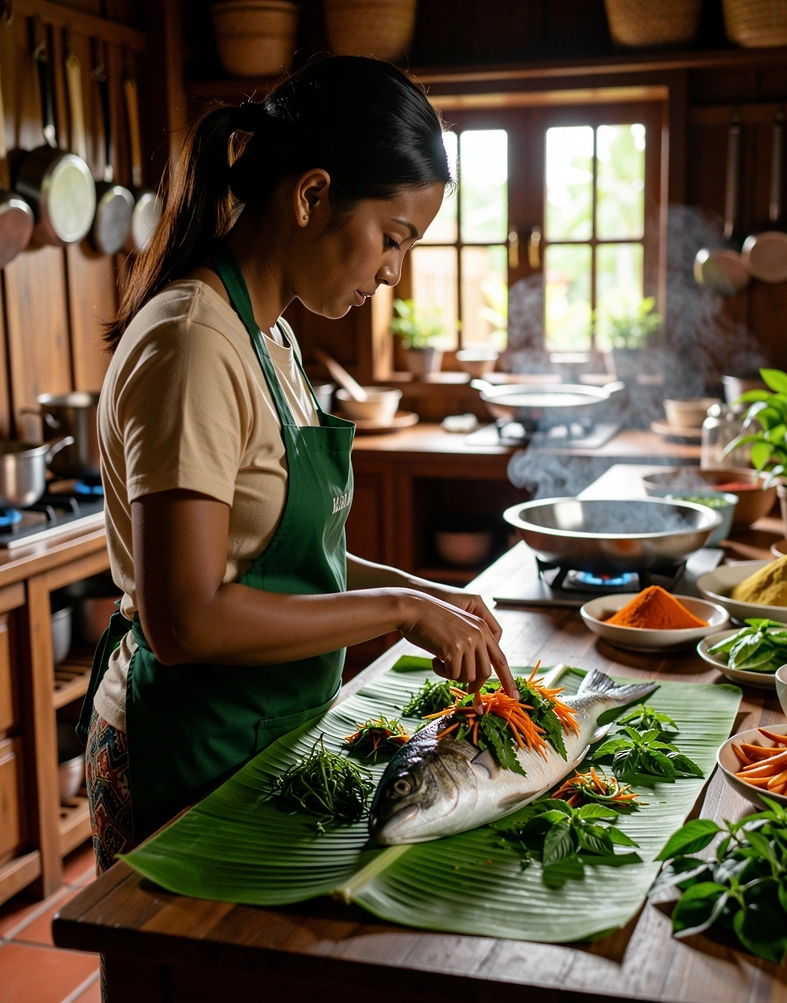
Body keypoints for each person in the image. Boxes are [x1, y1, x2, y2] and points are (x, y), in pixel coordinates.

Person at [78, 54, 516, 887]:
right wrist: (395, 609)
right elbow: (188, 620)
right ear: (312, 196)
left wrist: (424, 595)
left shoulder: (270, 335)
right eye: (392, 239)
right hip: (187, 751)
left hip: (261, 737)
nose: (392, 273)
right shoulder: (194, 345)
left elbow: (284, 558)